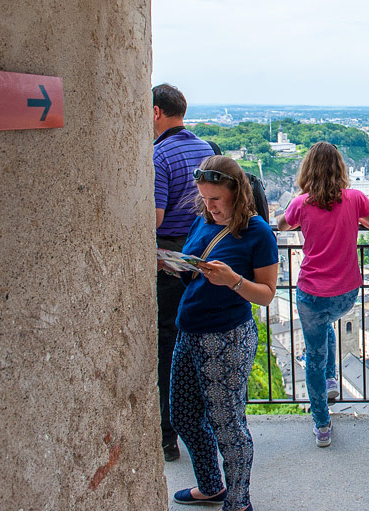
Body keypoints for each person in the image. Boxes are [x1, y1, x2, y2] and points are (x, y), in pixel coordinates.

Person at [169, 155, 278, 511]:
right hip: (190, 329)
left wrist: (232, 280)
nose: (209, 205)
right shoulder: (202, 221)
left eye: (216, 199)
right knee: (183, 415)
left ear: (236, 193)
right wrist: (178, 266)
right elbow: (193, 267)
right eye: (204, 197)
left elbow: (266, 294)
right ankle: (212, 486)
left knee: (226, 422)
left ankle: (238, 501)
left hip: (227, 337)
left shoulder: (257, 232)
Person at [278, 142, 369, 447]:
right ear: (341, 169)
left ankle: (322, 424)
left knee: (313, 357)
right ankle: (332, 378)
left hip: (312, 292)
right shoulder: (356, 198)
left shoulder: (302, 203)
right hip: (347, 292)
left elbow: (281, 225)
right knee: (328, 324)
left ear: (307, 170)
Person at [152, 83, 216, 462]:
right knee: (199, 340)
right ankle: (204, 427)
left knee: (167, 343)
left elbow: (155, 217)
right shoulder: (204, 149)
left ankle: (167, 434)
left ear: (157, 112)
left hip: (170, 256)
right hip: (202, 250)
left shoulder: (159, 155)